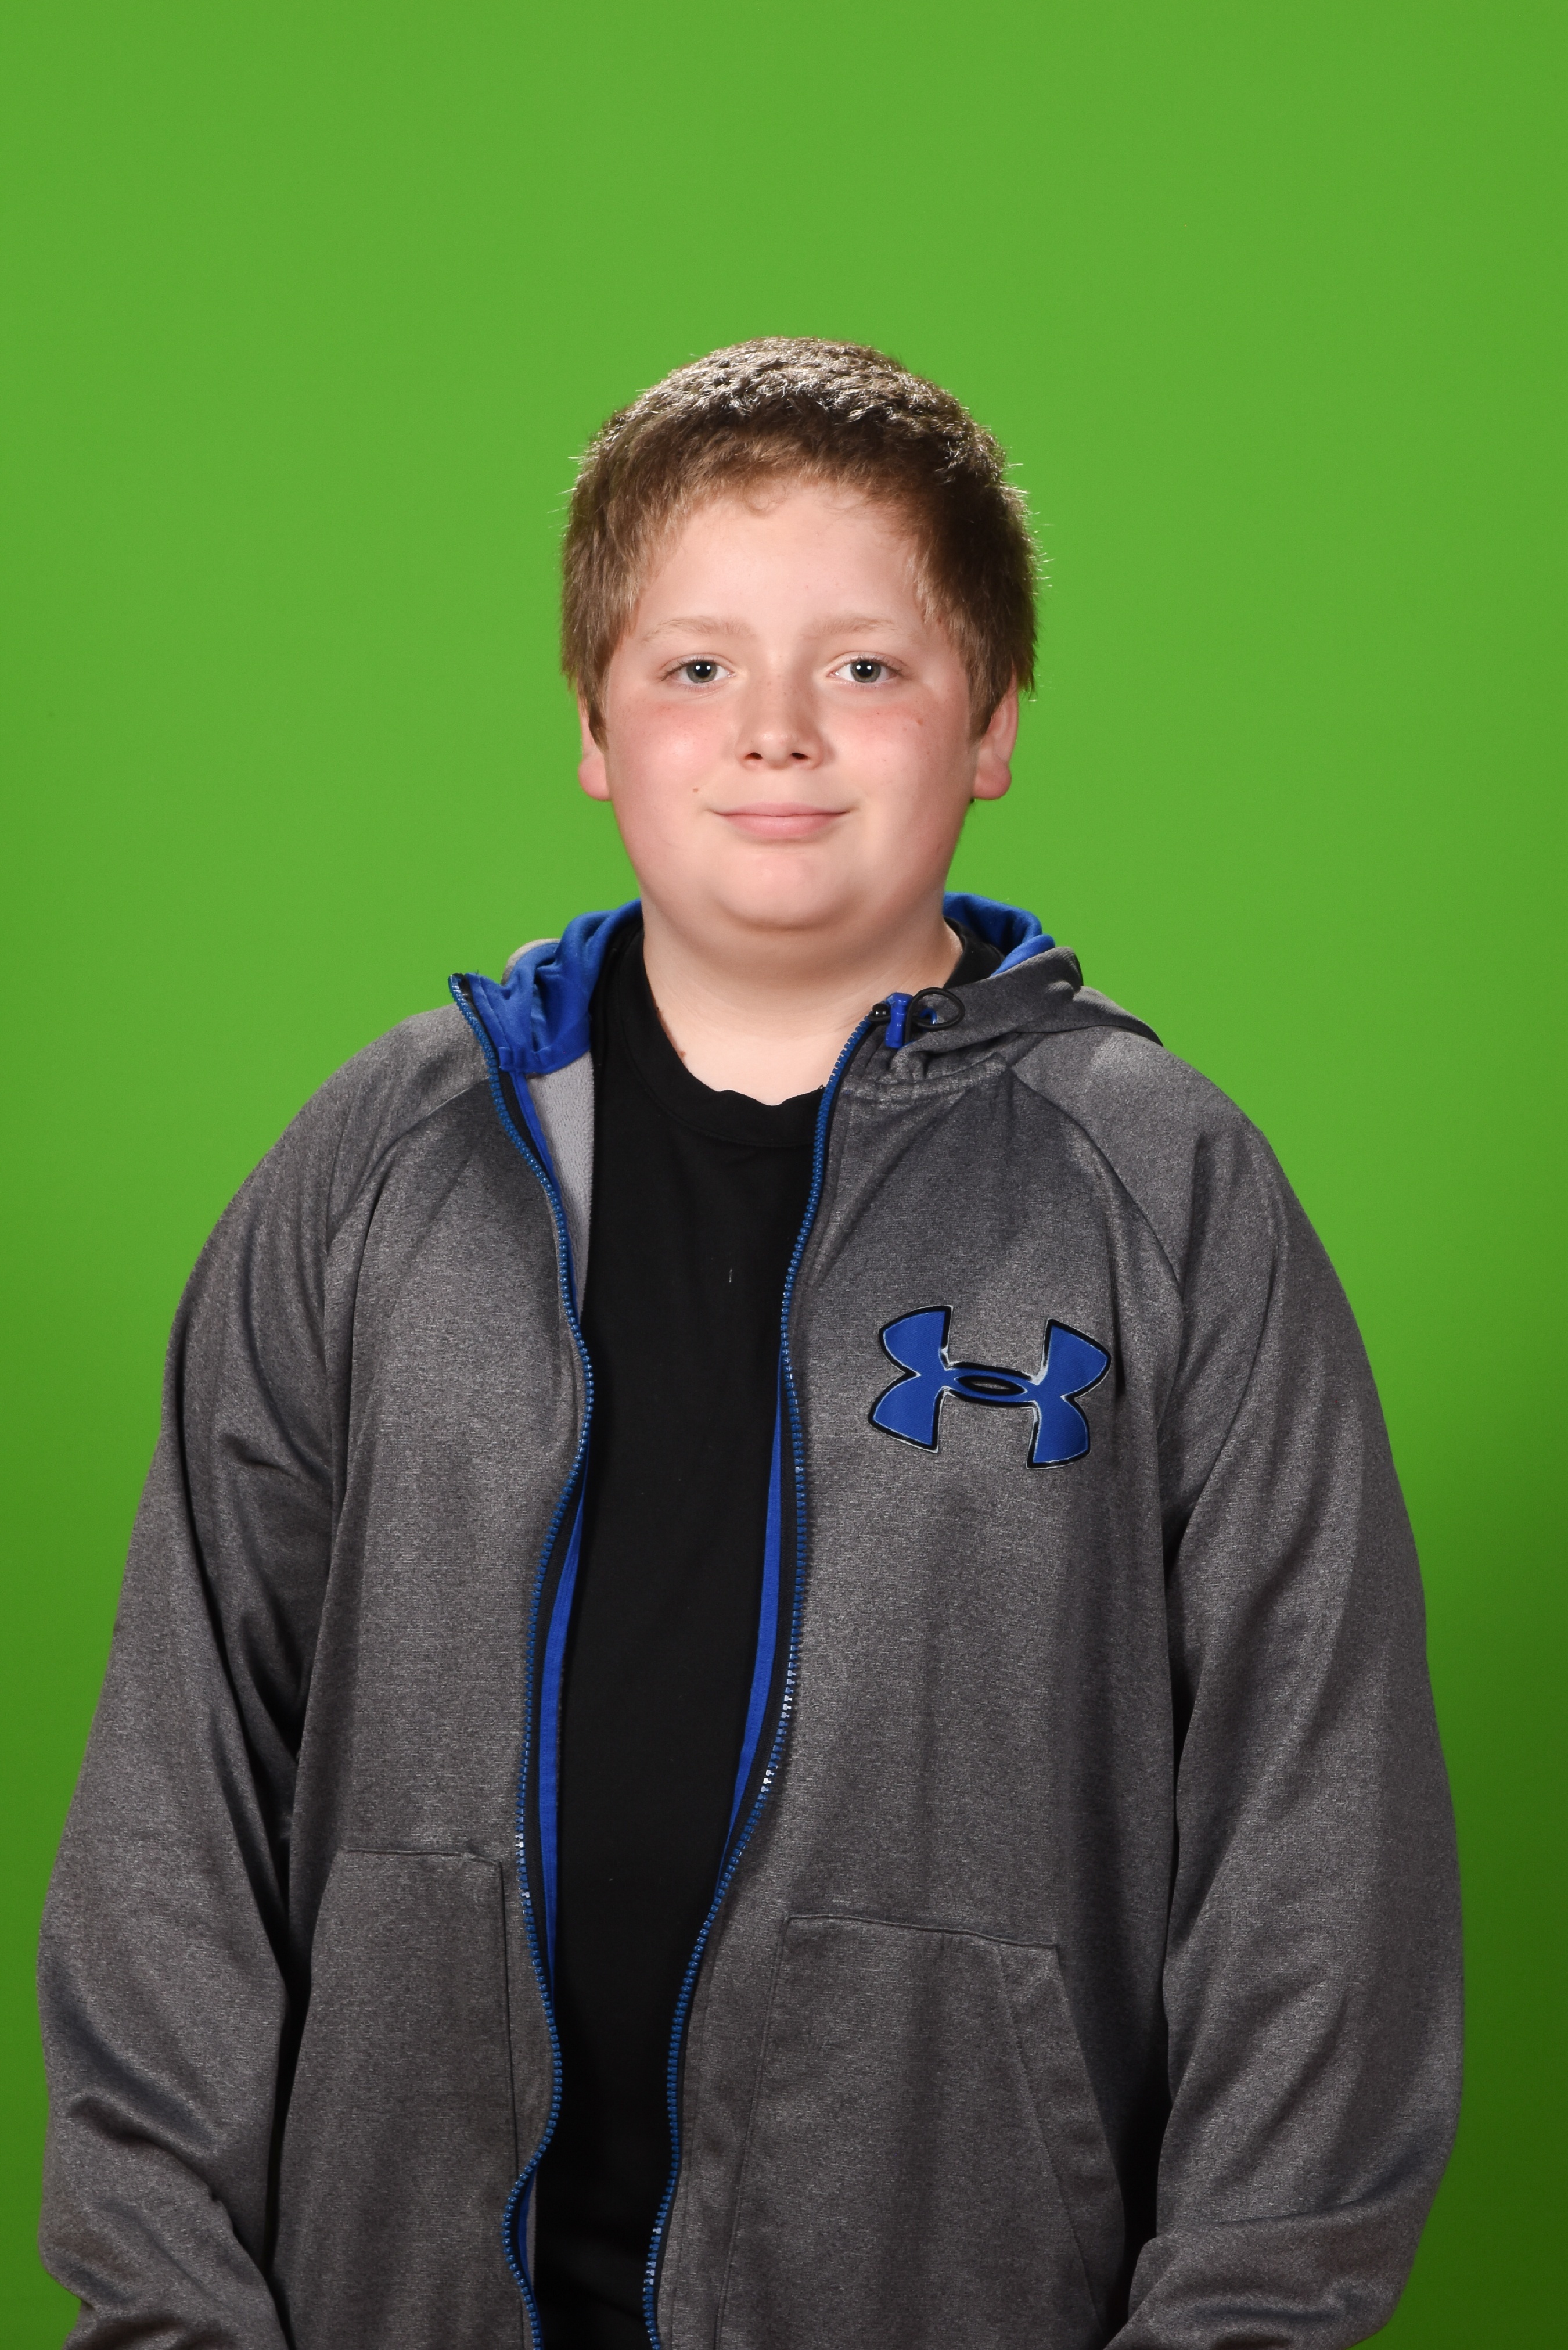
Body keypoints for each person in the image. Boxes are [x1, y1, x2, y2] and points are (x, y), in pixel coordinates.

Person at [38, 339, 1461, 2350]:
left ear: (990, 722)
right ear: (594, 725)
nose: (776, 734)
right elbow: (175, 1792)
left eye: (865, 667)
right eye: (696, 665)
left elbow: (1323, 1834)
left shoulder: (1161, 1190)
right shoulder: (379, 1166)